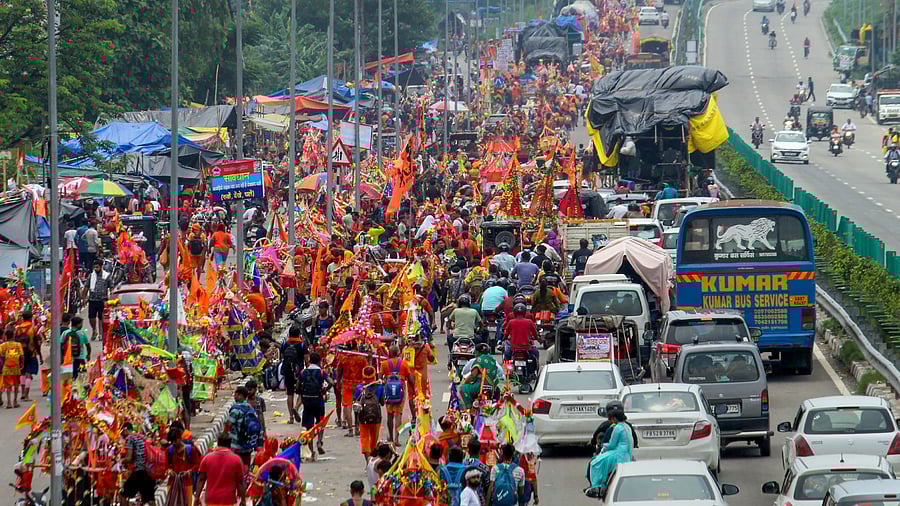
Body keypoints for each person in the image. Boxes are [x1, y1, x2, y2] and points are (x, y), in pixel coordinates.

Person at [586, 401, 634, 495]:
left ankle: (596, 487)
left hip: (618, 454)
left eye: (611, 418)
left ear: (614, 418)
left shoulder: (617, 428)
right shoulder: (627, 426)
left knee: (595, 462)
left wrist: (603, 446)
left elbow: (611, 445)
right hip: (626, 454)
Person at [194, 433, 247, 506]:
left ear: (218, 443)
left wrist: (197, 498)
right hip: (228, 500)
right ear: (230, 444)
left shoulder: (207, 458)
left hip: (211, 500)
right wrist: (243, 500)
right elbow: (240, 482)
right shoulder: (237, 460)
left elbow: (201, 479)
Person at [299, 352, 330, 459]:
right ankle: (320, 442)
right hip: (318, 400)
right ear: (319, 361)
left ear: (309, 360)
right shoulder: (322, 372)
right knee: (320, 422)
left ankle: (311, 452)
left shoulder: (303, 372)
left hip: (307, 401)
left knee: (309, 427)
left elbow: (298, 386)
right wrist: (324, 390)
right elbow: (331, 382)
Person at [165, 423, 201, 506]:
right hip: (172, 482)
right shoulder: (169, 450)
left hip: (187, 483)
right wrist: (170, 471)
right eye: (172, 441)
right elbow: (166, 466)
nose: (173, 443)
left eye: (175, 440)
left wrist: (189, 472)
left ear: (180, 438)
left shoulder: (190, 449)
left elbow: (197, 465)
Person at [122, 423, 157, 506]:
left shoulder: (130, 438)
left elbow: (129, 458)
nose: (122, 434)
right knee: (150, 499)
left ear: (125, 429)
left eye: (122, 431)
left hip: (139, 471)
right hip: (149, 470)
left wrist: (122, 461)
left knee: (123, 494)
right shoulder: (141, 436)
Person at [225, 385, 260, 466]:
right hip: (248, 445)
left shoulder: (235, 409)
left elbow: (228, 425)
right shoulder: (250, 408)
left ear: (240, 395)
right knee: (245, 468)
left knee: (236, 469)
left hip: (236, 446)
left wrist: (224, 439)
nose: (234, 396)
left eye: (235, 394)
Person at [504, 304, 540, 377]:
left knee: (507, 356)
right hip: (527, 347)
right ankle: (534, 372)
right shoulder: (529, 322)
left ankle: (508, 372)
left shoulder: (511, 322)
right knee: (536, 354)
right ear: (524, 312)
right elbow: (535, 333)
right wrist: (536, 338)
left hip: (514, 348)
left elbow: (506, 334)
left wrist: (504, 338)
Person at [83, 259, 110, 341]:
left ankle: (101, 334)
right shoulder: (91, 276)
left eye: (97, 267)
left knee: (101, 318)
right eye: (95, 267)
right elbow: (86, 287)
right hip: (92, 300)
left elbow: (111, 287)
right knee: (91, 317)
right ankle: (94, 330)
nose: (96, 269)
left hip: (103, 300)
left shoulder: (107, 276)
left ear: (101, 267)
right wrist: (84, 298)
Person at [0, 327, 23, 408]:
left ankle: (9, 402)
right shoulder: (18, 345)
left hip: (6, 367)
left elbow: (2, 356)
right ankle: (15, 401)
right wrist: (22, 364)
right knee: (16, 385)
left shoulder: (3, 345)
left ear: (6, 337)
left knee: (8, 386)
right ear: (13, 336)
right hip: (16, 367)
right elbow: (21, 356)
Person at [463, 439, 491, 504]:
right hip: (480, 501)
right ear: (479, 450)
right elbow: (488, 489)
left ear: (468, 451)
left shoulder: (462, 465)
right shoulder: (485, 468)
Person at [245, 379, 267, 449]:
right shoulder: (244, 402)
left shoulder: (260, 400)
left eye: (250, 389)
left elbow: (261, 416)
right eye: (247, 390)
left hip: (259, 429)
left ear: (255, 389)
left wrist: (264, 431)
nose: (248, 392)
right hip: (247, 430)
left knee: (260, 450)